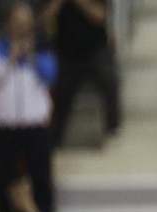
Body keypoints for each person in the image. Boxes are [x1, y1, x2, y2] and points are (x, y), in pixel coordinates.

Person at [0, 1, 57, 212]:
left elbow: (50, 76)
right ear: (9, 24)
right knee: (3, 177)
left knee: (40, 176)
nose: (23, 27)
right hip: (4, 127)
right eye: (18, 22)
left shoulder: (43, 48)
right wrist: (10, 60)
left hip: (35, 126)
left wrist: (31, 56)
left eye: (26, 22)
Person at [43, 0, 122, 146]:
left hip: (95, 50)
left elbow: (101, 16)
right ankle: (56, 138)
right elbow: (44, 20)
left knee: (109, 79)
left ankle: (113, 127)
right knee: (61, 94)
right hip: (67, 53)